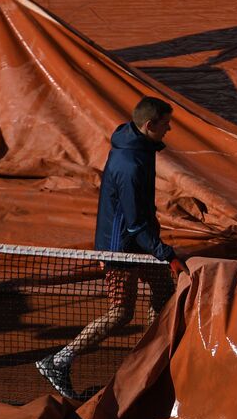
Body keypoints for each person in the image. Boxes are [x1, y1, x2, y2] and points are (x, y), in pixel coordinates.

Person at [37, 97, 183, 399]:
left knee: (163, 293)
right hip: (121, 251)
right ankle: (59, 360)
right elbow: (134, 223)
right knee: (121, 312)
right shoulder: (130, 164)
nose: (169, 128)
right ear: (149, 125)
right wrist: (166, 254)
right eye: (166, 123)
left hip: (137, 242)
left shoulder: (138, 144)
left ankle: (151, 361)